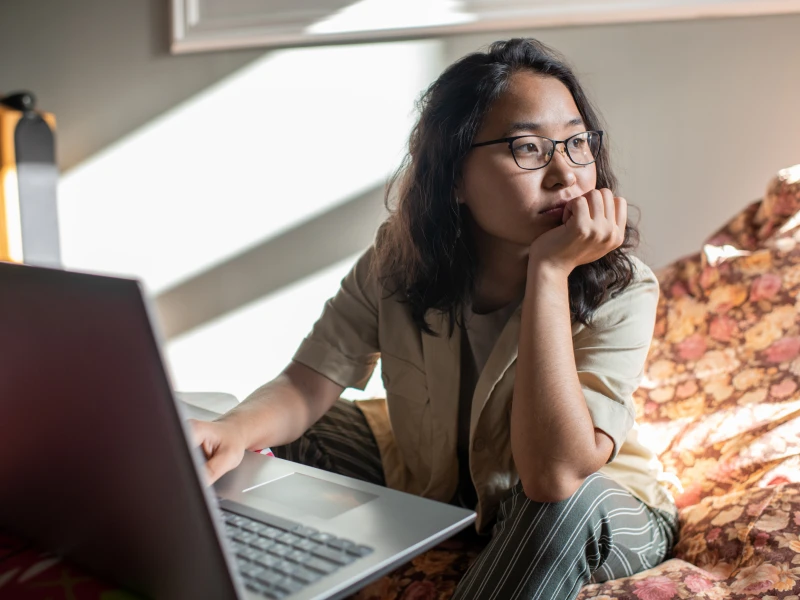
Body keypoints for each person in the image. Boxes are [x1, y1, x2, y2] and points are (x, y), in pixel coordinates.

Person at [191, 37, 679, 600]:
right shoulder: (397, 262)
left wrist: (549, 273)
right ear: (453, 177)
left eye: (576, 143)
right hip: (440, 486)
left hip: (597, 508)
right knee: (258, 431)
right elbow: (308, 380)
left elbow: (554, 476)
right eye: (528, 148)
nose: (565, 174)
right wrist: (231, 432)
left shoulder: (623, 286)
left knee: (560, 508)